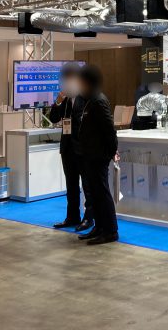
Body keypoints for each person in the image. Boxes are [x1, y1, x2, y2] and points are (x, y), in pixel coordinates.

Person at [76, 64, 119, 245]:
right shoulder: (89, 100)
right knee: (94, 193)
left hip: (98, 156)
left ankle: (110, 231)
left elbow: (109, 130)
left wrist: (110, 152)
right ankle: (100, 227)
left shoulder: (99, 101)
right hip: (89, 155)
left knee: (102, 193)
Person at [48, 62, 93, 232]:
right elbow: (53, 118)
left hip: (84, 149)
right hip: (67, 149)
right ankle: (72, 216)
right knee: (71, 185)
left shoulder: (88, 97)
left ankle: (89, 218)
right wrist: (57, 102)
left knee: (87, 186)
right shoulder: (65, 98)